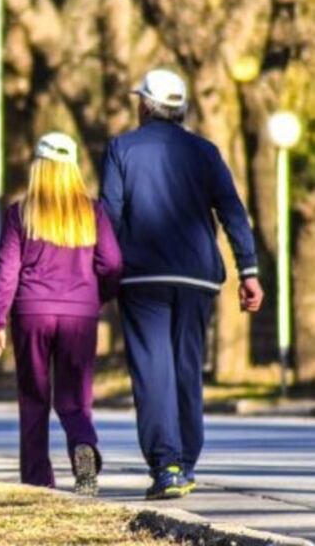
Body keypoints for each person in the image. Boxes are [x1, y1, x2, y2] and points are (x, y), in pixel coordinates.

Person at [100, 68, 264, 500]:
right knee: (187, 367)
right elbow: (233, 211)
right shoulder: (205, 152)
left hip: (143, 275)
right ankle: (185, 461)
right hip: (196, 275)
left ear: (144, 105)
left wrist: (103, 274)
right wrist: (248, 271)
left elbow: (109, 216)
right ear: (181, 108)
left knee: (152, 370)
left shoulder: (121, 148)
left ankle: (167, 465)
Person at [0, 132, 122, 496]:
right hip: (80, 315)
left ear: (38, 167)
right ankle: (83, 445)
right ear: (73, 168)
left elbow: (6, 271)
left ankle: (37, 480)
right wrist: (97, 299)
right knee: (76, 396)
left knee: (34, 397)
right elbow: (112, 263)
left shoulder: (21, 213)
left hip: (31, 313)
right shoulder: (92, 212)